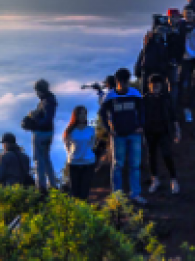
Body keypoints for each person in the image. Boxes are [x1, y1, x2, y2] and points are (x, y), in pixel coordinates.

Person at [99, 68, 146, 205]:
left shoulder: (135, 94)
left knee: (135, 165)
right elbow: (103, 114)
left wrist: (141, 125)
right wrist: (109, 129)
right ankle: (117, 196)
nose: (125, 84)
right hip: (118, 135)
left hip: (134, 134)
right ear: (117, 81)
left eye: (127, 81)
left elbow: (142, 111)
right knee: (117, 165)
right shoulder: (109, 96)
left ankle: (135, 194)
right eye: (122, 82)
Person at [143, 74, 180, 195]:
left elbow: (173, 115)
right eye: (153, 85)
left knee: (167, 154)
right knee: (151, 156)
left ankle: (174, 179)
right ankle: (155, 180)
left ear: (161, 85)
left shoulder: (166, 98)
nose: (155, 87)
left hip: (164, 131)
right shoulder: (144, 99)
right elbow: (141, 117)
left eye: (157, 85)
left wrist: (177, 130)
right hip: (150, 132)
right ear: (149, 86)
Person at [27, 79, 58, 192]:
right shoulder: (50, 100)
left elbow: (47, 119)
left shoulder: (46, 101)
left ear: (39, 90)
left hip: (41, 132)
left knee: (38, 159)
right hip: (49, 132)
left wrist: (34, 122)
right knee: (46, 158)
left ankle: (41, 186)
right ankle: (52, 184)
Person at [63, 106, 96, 201]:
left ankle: (84, 211)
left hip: (88, 162)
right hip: (74, 163)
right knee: (74, 191)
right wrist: (73, 155)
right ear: (75, 116)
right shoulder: (70, 131)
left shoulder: (90, 130)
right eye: (80, 114)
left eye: (84, 114)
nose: (82, 116)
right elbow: (67, 145)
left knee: (85, 190)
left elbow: (92, 144)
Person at [166, 8, 186, 108]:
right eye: (172, 17)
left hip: (178, 60)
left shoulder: (182, 28)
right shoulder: (164, 29)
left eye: (176, 17)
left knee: (175, 84)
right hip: (165, 61)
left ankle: (175, 107)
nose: (174, 19)